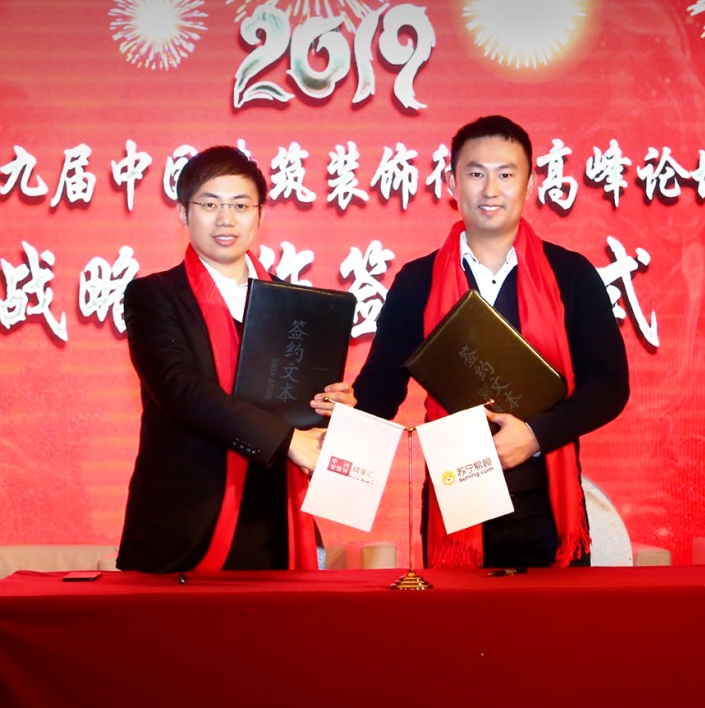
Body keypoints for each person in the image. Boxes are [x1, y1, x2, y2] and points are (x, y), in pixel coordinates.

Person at [352, 115, 629, 568]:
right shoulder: (417, 281)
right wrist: (344, 411)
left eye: (506, 174)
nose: (491, 190)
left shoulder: (571, 275)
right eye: (476, 173)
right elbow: (380, 388)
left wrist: (535, 436)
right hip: (456, 500)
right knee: (456, 615)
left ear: (531, 183)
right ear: (452, 183)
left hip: (546, 506)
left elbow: (609, 385)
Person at [117, 145, 354, 573]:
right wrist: (288, 441)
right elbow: (182, 392)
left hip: (274, 519)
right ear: (183, 213)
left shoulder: (294, 304)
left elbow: (298, 405)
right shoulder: (154, 296)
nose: (226, 219)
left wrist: (331, 406)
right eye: (210, 204)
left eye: (241, 206)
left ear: (259, 216)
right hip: (187, 524)